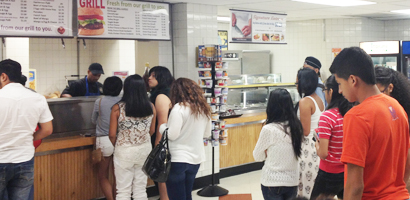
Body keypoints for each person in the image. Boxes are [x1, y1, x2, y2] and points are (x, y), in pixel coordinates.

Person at [330, 47, 410, 200]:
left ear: (353, 80)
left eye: (340, 83)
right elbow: (407, 163)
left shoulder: (357, 116)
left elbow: (355, 186)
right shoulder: (396, 106)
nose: (339, 91)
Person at [0, 59, 53, 200]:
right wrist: (28, 138)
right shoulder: (37, 98)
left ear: (3, 76)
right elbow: (47, 129)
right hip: (25, 159)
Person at [159, 78, 211, 200]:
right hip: (196, 159)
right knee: (187, 194)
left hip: (178, 159)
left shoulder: (179, 108)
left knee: (177, 196)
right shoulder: (203, 109)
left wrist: (162, 127)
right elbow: (207, 133)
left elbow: (172, 134)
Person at [109, 74, 156, 200]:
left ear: (126, 88)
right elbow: (152, 130)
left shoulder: (117, 108)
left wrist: (119, 144)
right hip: (144, 150)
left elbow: (112, 134)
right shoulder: (151, 107)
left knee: (123, 191)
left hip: (124, 151)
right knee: (140, 190)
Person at [253, 89, 303, 200]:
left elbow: (257, 156)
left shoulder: (269, 129)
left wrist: (267, 153)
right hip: (292, 181)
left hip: (272, 182)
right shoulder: (297, 127)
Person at [310, 75, 351, 200]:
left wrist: (317, 143)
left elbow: (323, 153)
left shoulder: (327, 116)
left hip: (329, 173)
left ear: (331, 91)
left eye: (325, 90)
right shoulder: (350, 113)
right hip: (347, 170)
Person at [91, 76, 123, 200]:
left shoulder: (99, 101)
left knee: (102, 175)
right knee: (117, 175)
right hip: (120, 140)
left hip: (104, 140)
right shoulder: (123, 102)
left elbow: (93, 120)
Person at [296, 68, 325, 199]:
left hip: (306, 150)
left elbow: (305, 131)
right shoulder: (318, 98)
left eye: (297, 82)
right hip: (316, 147)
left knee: (304, 190)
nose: (296, 84)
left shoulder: (305, 102)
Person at [148, 66, 174, 200]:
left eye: (153, 75)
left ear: (161, 78)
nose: (149, 78)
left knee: (160, 172)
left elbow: (162, 124)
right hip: (171, 139)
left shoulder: (161, 96)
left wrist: (158, 145)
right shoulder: (170, 92)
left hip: (163, 139)